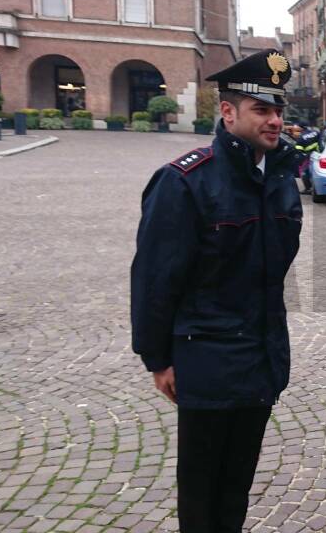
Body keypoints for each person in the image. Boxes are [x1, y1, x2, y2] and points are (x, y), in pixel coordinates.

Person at [130, 48, 303, 533]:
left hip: (261, 358)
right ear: (227, 112)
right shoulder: (184, 181)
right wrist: (157, 358)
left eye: (279, 110)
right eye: (261, 110)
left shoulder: (280, 177)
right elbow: (154, 280)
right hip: (205, 359)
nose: (275, 120)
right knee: (203, 491)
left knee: (237, 486)